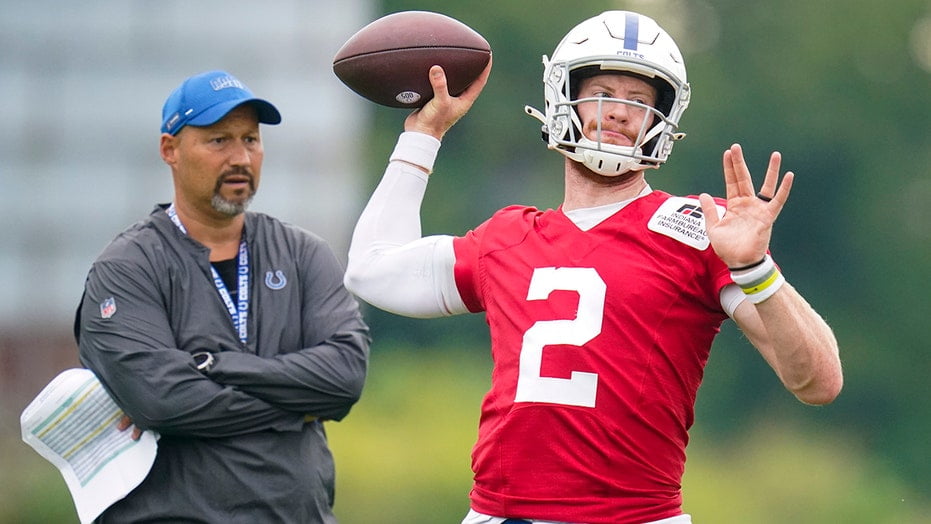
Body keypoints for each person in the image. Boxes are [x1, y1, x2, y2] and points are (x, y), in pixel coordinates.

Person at [343, 10, 842, 524]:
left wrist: (755, 269)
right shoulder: (508, 236)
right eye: (603, 93)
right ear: (564, 98)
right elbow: (370, 270)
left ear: (660, 120)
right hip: (498, 514)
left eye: (639, 101)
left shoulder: (700, 229)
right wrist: (423, 134)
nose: (620, 112)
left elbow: (818, 381)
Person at [75, 70, 370, 523]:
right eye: (218, 141)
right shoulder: (128, 267)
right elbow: (161, 401)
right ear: (170, 150)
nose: (240, 157)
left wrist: (216, 365)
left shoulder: (303, 254)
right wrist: (299, 407)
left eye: (250, 139)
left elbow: (344, 377)